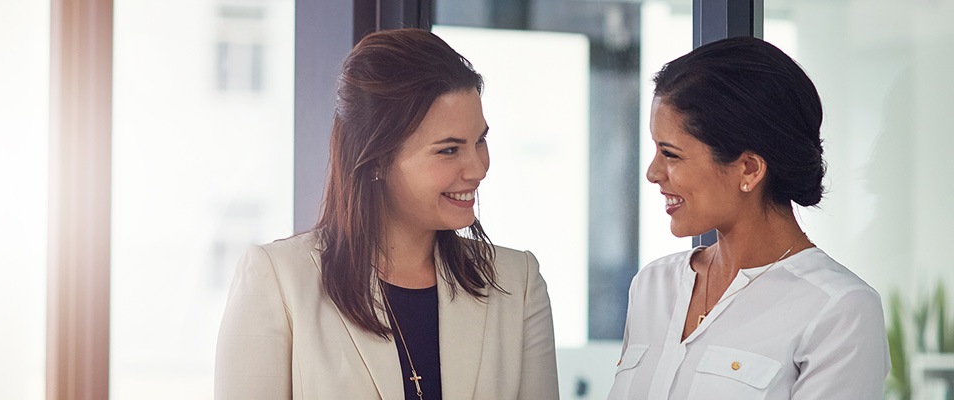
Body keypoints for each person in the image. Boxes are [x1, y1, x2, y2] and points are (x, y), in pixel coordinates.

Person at [215, 28, 559, 400]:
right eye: (448, 150)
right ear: (377, 158)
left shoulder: (518, 285)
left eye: (480, 141)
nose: (477, 168)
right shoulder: (278, 282)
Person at [608, 36, 890, 400]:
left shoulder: (840, 309)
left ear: (749, 169)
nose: (652, 172)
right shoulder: (652, 286)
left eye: (671, 154)